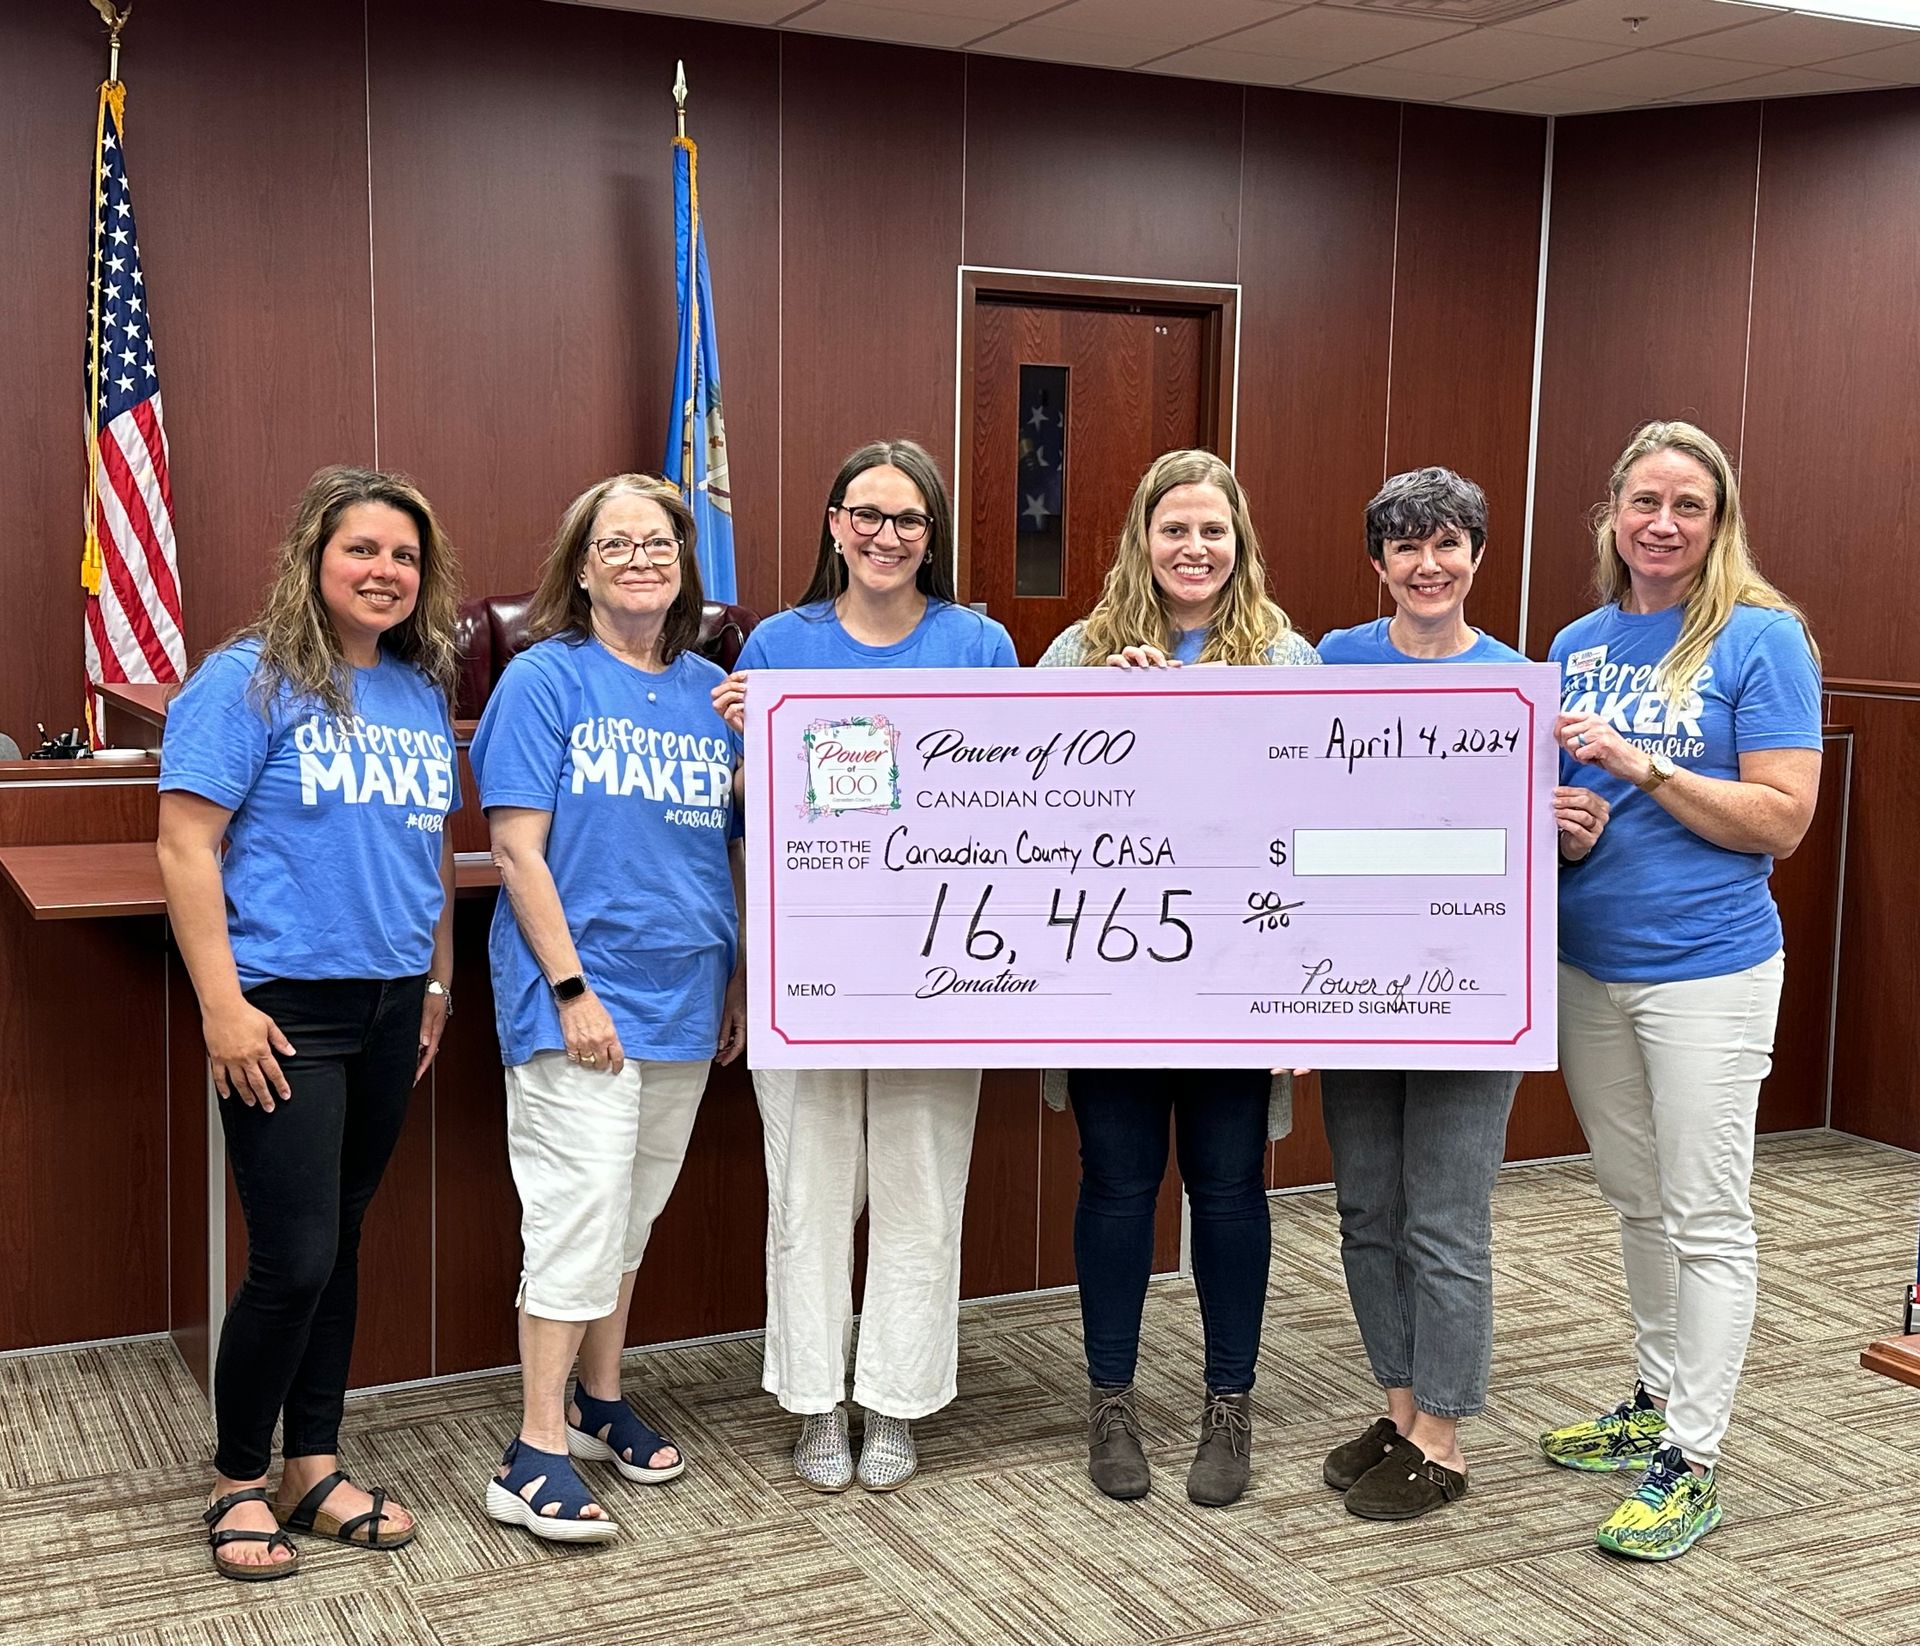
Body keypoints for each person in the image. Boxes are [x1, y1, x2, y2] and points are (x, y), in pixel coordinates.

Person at [158, 466, 462, 1580]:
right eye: (361, 550)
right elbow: (185, 844)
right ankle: (239, 1478)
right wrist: (222, 1007)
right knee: (292, 1257)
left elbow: (431, 847)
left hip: (389, 1003)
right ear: (313, 559)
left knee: (342, 1240)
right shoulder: (249, 678)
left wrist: (433, 988)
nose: (385, 571)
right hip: (283, 1006)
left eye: (404, 556)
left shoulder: (419, 686)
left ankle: (312, 1464)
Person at [711, 438, 1016, 1493]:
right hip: (811, 966)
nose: (887, 536)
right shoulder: (776, 647)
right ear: (835, 524)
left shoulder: (979, 645)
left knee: (921, 1185)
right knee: (809, 1187)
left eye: (909, 519)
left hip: (943, 962)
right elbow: (746, 821)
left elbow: (1015, 806)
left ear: (932, 535)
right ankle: (814, 1399)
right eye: (868, 515)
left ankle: (893, 1397)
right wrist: (753, 743)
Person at [1540, 420, 1821, 1561]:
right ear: (1612, 513)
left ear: (1719, 521)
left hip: (1709, 968)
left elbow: (1783, 819)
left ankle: (1692, 1459)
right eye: (1645, 502)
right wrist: (1564, 822)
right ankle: (1654, 1397)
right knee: (1634, 1194)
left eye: (1688, 505)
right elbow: (1563, 800)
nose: (1663, 523)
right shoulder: (1575, 642)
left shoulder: (1762, 636)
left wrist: (1644, 764)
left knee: (1707, 1213)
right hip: (1586, 961)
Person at [1314, 468, 1610, 1522]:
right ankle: (1399, 1408)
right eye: (1406, 546)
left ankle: (1443, 1437)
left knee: (1444, 1214)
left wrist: (1574, 835)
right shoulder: (1331, 662)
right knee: (1366, 1209)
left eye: (1447, 544)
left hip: (1469, 991)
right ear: (1378, 562)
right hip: (1349, 984)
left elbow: (1547, 840)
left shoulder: (1524, 686)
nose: (1427, 564)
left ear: (1478, 557)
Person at [1036, 447, 1316, 1508]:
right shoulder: (1079, 651)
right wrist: (1098, 716)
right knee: (1115, 1185)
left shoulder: (1285, 658)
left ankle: (1228, 1402)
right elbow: (1017, 804)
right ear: (1141, 540)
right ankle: (1110, 1399)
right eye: (1174, 529)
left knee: (1229, 1188)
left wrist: (1301, 994)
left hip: (1235, 980)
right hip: (1110, 980)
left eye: (1212, 530)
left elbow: (1314, 824)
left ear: (1238, 542)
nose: (1193, 548)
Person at [472, 474, 746, 1542]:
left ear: (684, 564)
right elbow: (515, 851)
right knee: (575, 1218)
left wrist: (735, 976)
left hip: (687, 995)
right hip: (580, 1001)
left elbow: (731, 845)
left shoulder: (713, 693)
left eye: (660, 543)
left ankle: (597, 1399)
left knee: (629, 1217)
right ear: (581, 568)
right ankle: (532, 1449)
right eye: (617, 544)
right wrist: (572, 989)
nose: (641, 559)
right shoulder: (543, 679)